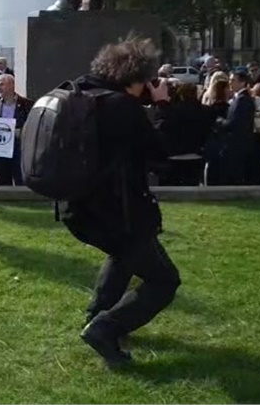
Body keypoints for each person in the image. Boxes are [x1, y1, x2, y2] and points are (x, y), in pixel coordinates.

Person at [65, 38, 179, 367]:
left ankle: (95, 315)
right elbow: (161, 156)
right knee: (164, 280)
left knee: (123, 255)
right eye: (146, 80)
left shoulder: (82, 92)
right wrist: (161, 106)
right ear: (134, 78)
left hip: (80, 208)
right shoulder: (123, 108)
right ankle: (104, 329)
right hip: (117, 213)